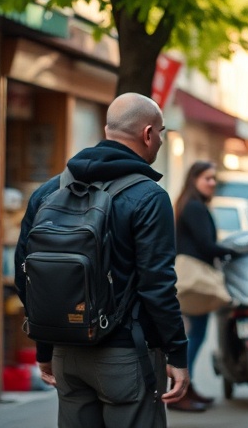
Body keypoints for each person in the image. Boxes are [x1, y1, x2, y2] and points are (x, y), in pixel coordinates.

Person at [15, 93, 188, 428]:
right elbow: (158, 286)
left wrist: (45, 347)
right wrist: (177, 354)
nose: (162, 140)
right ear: (148, 134)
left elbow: (28, 276)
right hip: (127, 355)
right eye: (162, 132)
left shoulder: (50, 191)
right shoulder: (149, 197)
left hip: (67, 352)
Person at [171, 160, 231, 413]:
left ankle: (187, 386)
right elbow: (206, 245)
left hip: (196, 279)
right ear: (193, 179)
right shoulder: (194, 207)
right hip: (196, 279)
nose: (212, 183)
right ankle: (179, 390)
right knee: (193, 336)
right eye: (207, 178)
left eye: (214, 178)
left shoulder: (190, 204)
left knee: (193, 335)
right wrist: (233, 250)